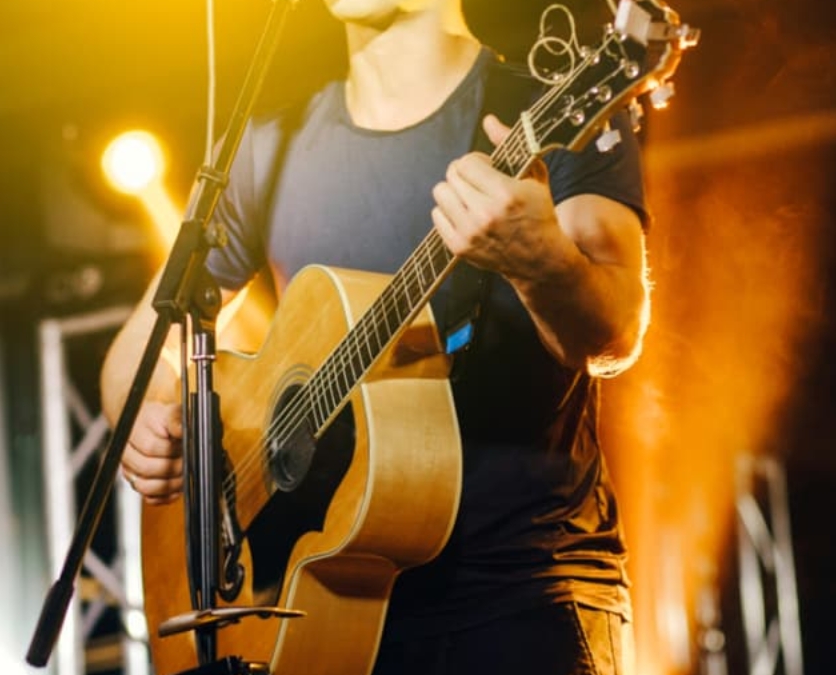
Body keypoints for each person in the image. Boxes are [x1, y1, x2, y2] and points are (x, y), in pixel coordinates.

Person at [100, 0, 651, 673]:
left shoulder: (541, 105)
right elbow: (137, 354)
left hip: (519, 592)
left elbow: (614, 332)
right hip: (323, 610)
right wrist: (150, 426)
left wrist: (544, 262)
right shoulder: (267, 147)